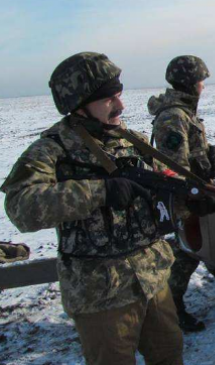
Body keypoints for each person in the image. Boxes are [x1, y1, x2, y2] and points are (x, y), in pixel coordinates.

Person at [1, 52, 184, 365]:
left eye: (119, 95)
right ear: (80, 103)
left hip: (153, 278)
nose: (120, 106)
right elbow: (21, 206)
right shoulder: (52, 150)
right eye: (109, 99)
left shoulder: (131, 141)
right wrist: (99, 192)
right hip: (101, 295)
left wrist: (191, 199)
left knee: (169, 354)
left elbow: (167, 185)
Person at [148, 55, 215, 333]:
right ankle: (172, 308)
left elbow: (194, 149)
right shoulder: (172, 117)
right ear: (190, 83)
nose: (203, 87)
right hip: (187, 197)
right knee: (190, 250)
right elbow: (174, 166)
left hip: (198, 189)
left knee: (211, 237)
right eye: (201, 82)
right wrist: (195, 196)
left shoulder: (184, 112)